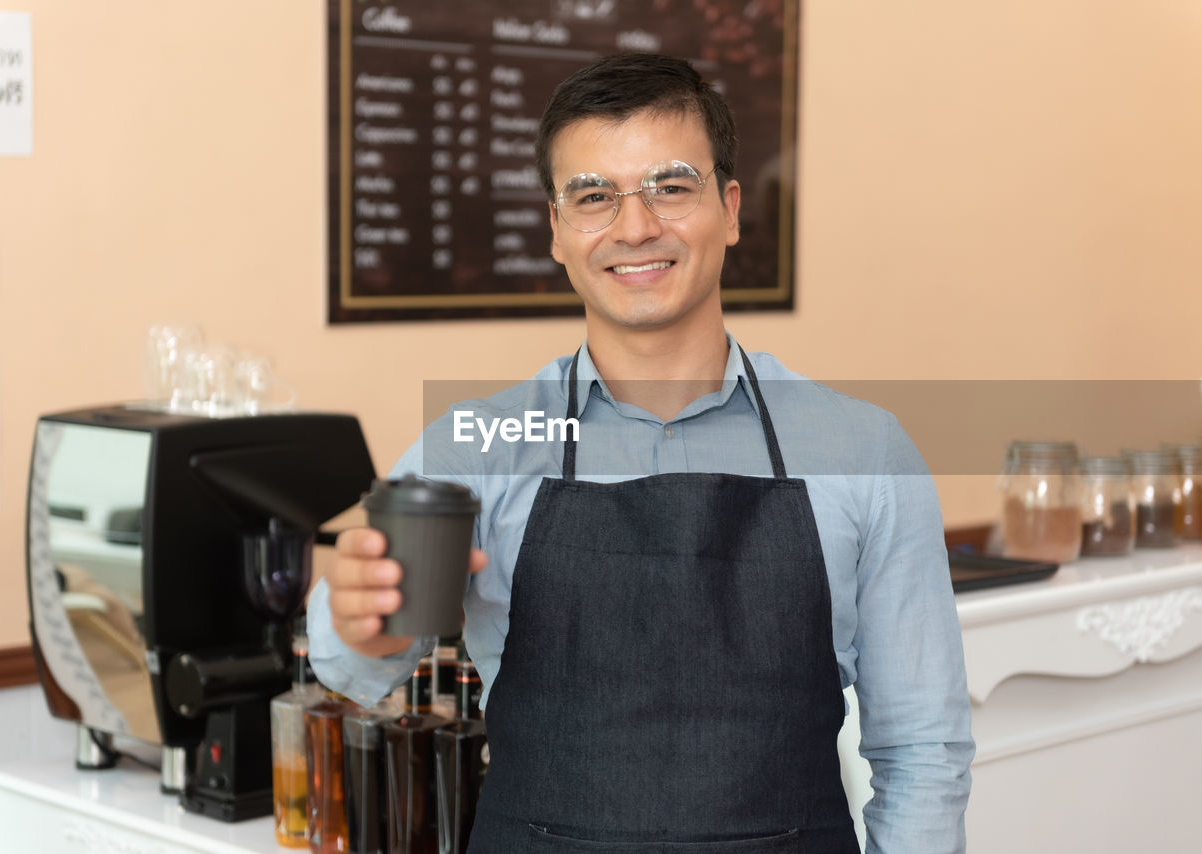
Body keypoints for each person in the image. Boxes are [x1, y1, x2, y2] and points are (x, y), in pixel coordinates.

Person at [308, 53, 973, 853]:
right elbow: (356, 666)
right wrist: (362, 621)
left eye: (671, 186)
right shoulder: (477, 445)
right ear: (556, 230)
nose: (634, 227)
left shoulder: (864, 448)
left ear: (729, 209)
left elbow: (923, 753)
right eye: (594, 197)